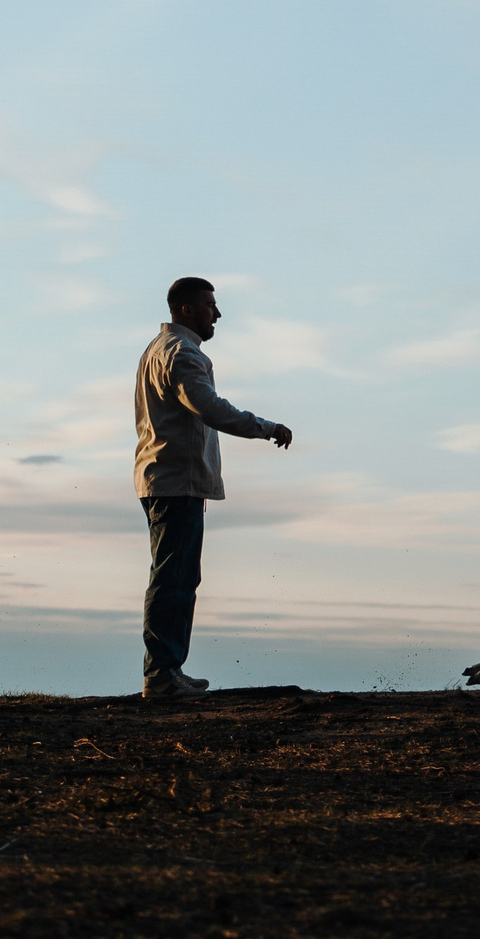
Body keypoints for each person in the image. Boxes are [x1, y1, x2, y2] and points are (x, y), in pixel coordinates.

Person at [133, 276, 292, 698]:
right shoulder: (181, 354)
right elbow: (209, 408)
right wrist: (266, 427)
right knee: (174, 578)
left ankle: (168, 669)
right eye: (209, 305)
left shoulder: (157, 349)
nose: (217, 314)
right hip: (175, 480)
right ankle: (162, 674)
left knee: (176, 575)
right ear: (186, 309)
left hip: (164, 477)